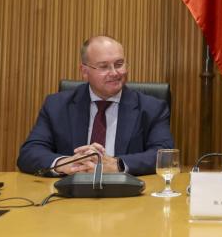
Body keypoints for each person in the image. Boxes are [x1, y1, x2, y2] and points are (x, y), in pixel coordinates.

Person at [17, 36, 174, 176]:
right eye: (104, 66)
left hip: (128, 197)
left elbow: (164, 155)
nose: (114, 73)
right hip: (70, 197)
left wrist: (117, 165)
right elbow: (29, 153)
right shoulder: (57, 106)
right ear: (84, 71)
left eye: (119, 64)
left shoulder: (152, 108)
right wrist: (64, 164)